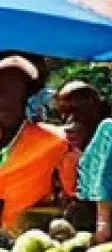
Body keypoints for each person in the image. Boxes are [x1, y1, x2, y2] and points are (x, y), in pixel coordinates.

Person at [0, 54, 70, 230]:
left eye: (12, 88)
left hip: (27, 246)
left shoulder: (55, 142)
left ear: (27, 94)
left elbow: (74, 199)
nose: (3, 98)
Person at [54, 80, 112, 242]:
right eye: (64, 113)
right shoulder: (74, 148)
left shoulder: (111, 132)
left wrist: (102, 227)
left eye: (76, 111)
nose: (69, 120)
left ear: (96, 109)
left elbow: (107, 183)